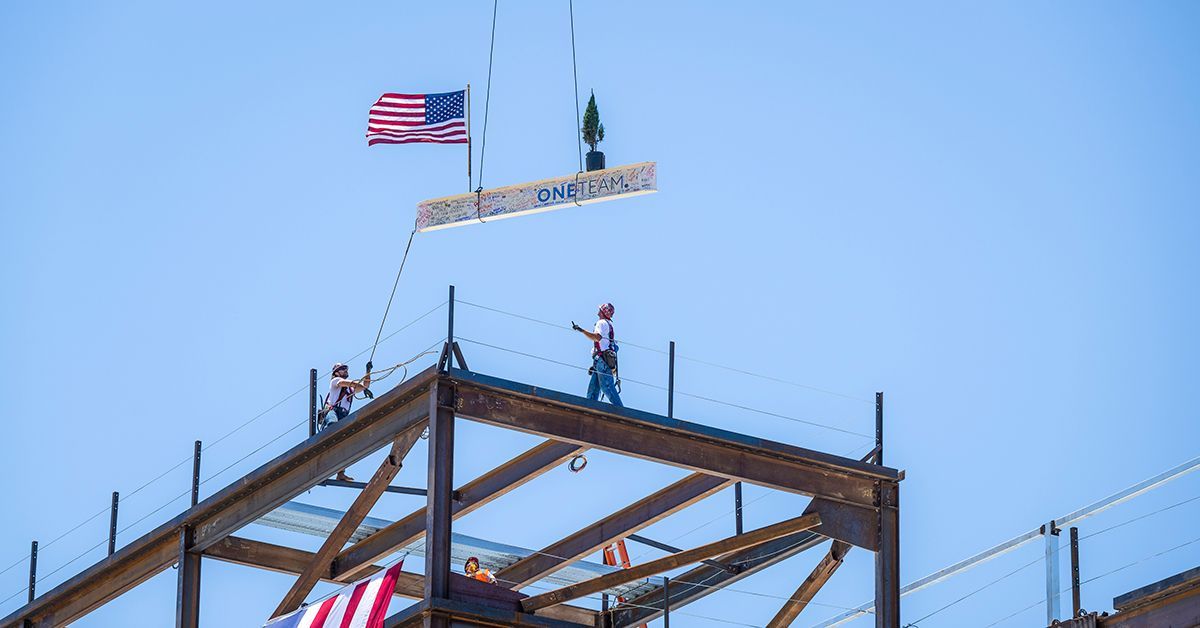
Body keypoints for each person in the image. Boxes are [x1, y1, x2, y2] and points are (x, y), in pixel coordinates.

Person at [320, 362, 371, 481]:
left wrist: (368, 372)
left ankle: (340, 472)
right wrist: (360, 386)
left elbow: (365, 386)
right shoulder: (335, 381)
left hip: (343, 415)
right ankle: (324, 458)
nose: (345, 371)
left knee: (344, 441)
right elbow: (347, 383)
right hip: (332, 412)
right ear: (336, 372)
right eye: (342, 369)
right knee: (333, 427)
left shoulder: (350, 389)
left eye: (346, 369)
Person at [572, 302, 623, 407]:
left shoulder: (601, 323)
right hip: (599, 362)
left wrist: (581, 330)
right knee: (593, 389)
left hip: (602, 361)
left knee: (607, 387)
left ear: (603, 312)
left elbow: (597, 337)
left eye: (600, 310)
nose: (598, 312)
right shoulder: (608, 324)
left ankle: (621, 411)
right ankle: (589, 409)